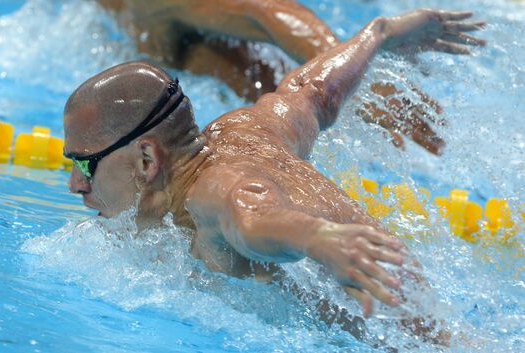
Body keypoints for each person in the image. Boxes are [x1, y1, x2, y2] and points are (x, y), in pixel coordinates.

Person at [63, 8, 484, 345]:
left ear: (146, 159)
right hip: (427, 321)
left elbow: (251, 216)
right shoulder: (246, 130)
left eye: (85, 164)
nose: (75, 185)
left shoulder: (209, 192)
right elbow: (314, 92)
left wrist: (316, 239)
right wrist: (378, 35)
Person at [96, 0, 481, 154]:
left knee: (254, 77)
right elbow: (262, 12)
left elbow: (263, 12)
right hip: (156, 34)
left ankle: (347, 90)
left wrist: (347, 77)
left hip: (151, 36)